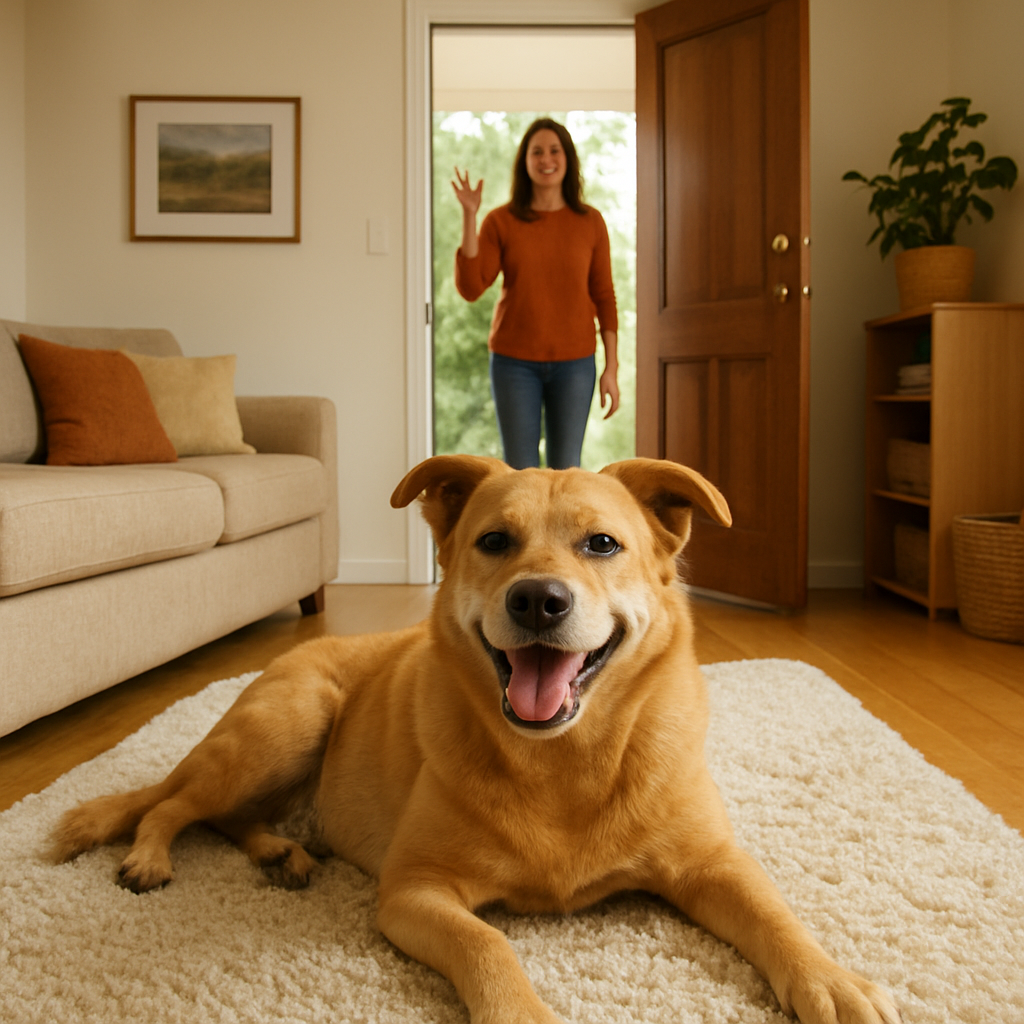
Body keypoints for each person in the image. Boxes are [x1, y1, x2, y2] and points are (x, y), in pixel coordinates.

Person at [452, 117, 619, 470]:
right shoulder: (501, 221)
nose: (546, 159)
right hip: (514, 362)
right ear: (525, 161)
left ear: (567, 158)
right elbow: (470, 286)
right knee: (519, 469)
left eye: (554, 151)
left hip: (575, 363)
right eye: (537, 152)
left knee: (567, 468)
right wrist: (470, 215)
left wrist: (611, 367)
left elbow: (604, 296)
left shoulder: (590, 222)